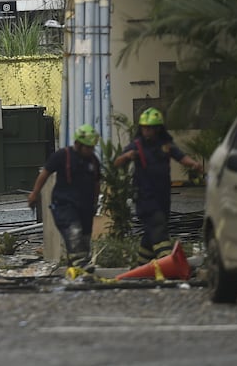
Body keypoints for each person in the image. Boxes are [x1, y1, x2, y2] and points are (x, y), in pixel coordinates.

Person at [112, 108, 202, 265]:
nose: (146, 131)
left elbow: (181, 157)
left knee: (151, 233)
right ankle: (168, 261)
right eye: (144, 128)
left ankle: (141, 265)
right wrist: (127, 156)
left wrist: (194, 164)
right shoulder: (136, 145)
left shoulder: (166, 145)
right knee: (158, 227)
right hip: (145, 198)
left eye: (150, 128)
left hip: (163, 197)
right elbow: (117, 162)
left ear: (158, 129)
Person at [28, 124, 101, 268]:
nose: (90, 150)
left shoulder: (93, 161)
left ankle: (76, 267)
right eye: (88, 147)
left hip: (85, 207)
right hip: (64, 205)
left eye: (92, 147)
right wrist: (35, 193)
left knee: (85, 238)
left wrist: (95, 203)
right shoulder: (63, 156)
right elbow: (45, 173)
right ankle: (80, 265)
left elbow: (96, 183)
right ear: (78, 144)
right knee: (74, 231)